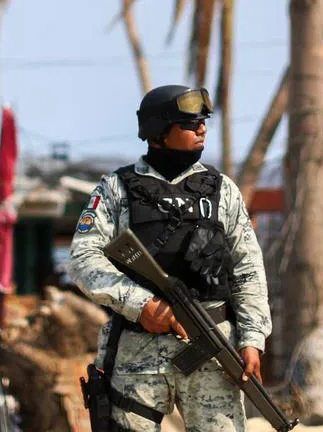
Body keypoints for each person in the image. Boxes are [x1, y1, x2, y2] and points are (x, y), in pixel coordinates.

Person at [69, 85, 272, 432]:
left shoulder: (222, 189)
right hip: (137, 353)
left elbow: (248, 270)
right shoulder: (116, 189)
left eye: (203, 122)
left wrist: (253, 338)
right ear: (159, 132)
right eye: (190, 123)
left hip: (213, 349)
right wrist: (140, 304)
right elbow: (83, 257)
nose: (202, 129)